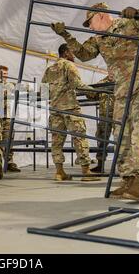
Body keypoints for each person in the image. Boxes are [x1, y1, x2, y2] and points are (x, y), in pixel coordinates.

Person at [51, 2, 139, 202]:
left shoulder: (129, 23)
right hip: (122, 90)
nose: (91, 27)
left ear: (102, 15)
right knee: (121, 135)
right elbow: (84, 54)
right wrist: (66, 35)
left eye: (91, 22)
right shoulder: (98, 38)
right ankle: (128, 180)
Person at [41, 44, 100, 182]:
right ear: (66, 53)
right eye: (72, 52)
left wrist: (56, 97)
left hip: (55, 110)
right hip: (70, 108)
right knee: (79, 138)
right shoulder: (69, 65)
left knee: (56, 142)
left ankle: (59, 172)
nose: (74, 55)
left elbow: (44, 92)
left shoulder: (49, 69)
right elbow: (77, 85)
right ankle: (86, 172)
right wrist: (95, 92)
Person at [0, 65, 21, 172]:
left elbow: (19, 87)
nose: (5, 77)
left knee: (9, 138)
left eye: (6, 75)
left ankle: (9, 162)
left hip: (7, 116)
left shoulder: (9, 84)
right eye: (3, 74)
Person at [86, 73, 115, 172]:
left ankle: (125, 166)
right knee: (102, 139)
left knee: (123, 140)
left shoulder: (124, 79)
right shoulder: (103, 82)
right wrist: (87, 89)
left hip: (121, 115)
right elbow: (92, 95)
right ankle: (100, 165)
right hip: (105, 115)